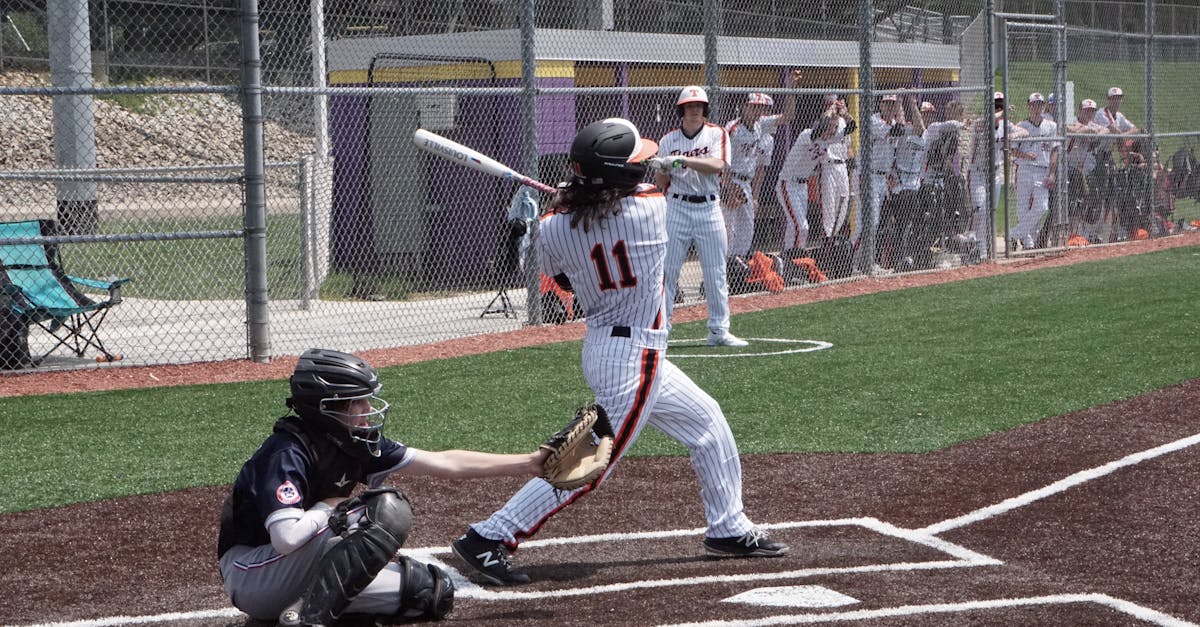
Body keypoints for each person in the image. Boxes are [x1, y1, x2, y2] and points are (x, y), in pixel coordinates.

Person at [449, 118, 788, 587]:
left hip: (607, 347)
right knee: (591, 460)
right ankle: (491, 535)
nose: (644, 164)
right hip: (636, 357)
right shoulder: (650, 208)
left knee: (707, 422)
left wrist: (569, 203)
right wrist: (582, 197)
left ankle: (728, 527)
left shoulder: (551, 227)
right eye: (634, 162)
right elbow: (649, 187)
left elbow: (563, 277)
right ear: (619, 175)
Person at [217, 348, 550, 626]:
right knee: (385, 510)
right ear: (327, 407)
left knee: (429, 593)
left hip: (299, 569)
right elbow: (286, 539)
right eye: (356, 403)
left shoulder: (354, 443)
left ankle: (295, 612)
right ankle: (309, 619)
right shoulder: (287, 452)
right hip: (255, 574)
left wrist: (529, 463)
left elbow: (446, 463)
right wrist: (328, 508)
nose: (367, 411)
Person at [657, 86, 748, 347]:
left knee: (715, 271)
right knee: (668, 271)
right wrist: (663, 166)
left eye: (698, 106)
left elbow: (717, 165)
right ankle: (661, 329)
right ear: (681, 109)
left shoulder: (716, 133)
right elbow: (661, 181)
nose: (694, 109)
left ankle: (719, 330)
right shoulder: (668, 140)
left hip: (709, 207)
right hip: (676, 206)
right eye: (689, 106)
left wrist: (683, 161)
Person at [723, 69, 802, 260]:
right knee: (728, 230)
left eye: (760, 108)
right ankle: (726, 267)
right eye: (753, 107)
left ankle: (738, 268)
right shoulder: (732, 128)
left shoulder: (761, 125)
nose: (757, 111)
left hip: (746, 184)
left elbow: (788, 116)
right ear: (744, 107)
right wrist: (729, 189)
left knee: (747, 229)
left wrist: (791, 88)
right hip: (729, 181)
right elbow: (723, 162)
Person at [967, 91, 1028, 260]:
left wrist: (1012, 135)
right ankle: (975, 245)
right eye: (996, 104)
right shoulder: (980, 123)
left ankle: (983, 249)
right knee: (980, 211)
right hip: (978, 172)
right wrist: (1003, 113)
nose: (999, 107)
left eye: (1000, 104)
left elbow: (1025, 132)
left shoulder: (1005, 124)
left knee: (990, 212)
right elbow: (991, 120)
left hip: (994, 173)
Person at [851, 93, 902, 265]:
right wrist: (901, 104)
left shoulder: (893, 122)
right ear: (880, 105)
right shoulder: (874, 121)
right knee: (868, 222)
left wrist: (891, 176)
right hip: (866, 175)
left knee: (875, 223)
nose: (889, 107)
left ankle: (864, 262)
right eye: (887, 103)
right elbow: (897, 131)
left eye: (893, 104)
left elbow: (895, 146)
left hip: (882, 178)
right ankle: (851, 262)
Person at [775, 115, 835, 256]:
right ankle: (795, 258)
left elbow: (847, 130)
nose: (832, 133)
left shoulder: (827, 142)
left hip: (803, 186)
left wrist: (840, 117)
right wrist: (827, 117)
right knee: (802, 227)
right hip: (788, 183)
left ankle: (789, 258)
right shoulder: (806, 134)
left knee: (794, 226)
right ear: (822, 128)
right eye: (830, 129)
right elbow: (815, 136)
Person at [1011, 92, 1059, 251]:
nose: (1037, 107)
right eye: (1034, 104)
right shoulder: (1021, 126)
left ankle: (1014, 234)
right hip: (1024, 168)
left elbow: (1054, 150)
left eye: (1040, 104)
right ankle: (1029, 242)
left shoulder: (1051, 126)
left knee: (1042, 206)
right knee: (1022, 205)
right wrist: (1025, 155)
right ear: (1029, 106)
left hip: (1042, 170)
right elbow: (1012, 150)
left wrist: (1052, 173)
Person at [1064, 98, 1109, 240]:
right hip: (1068, 168)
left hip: (1085, 171)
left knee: (1086, 201)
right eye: (1086, 110)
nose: (1089, 113)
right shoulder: (1073, 121)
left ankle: (1082, 233)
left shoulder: (1093, 125)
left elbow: (1106, 130)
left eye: (1092, 111)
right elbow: (1069, 129)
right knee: (1071, 204)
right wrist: (1085, 131)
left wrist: (1093, 133)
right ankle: (1070, 233)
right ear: (1080, 110)